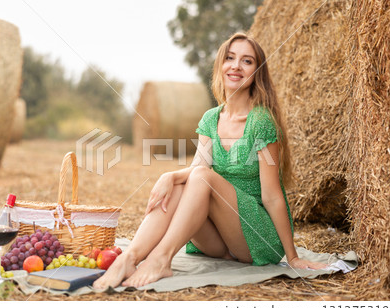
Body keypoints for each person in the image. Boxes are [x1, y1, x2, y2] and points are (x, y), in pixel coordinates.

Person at [93, 32, 327, 290]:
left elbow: (272, 196)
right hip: (220, 240)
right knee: (181, 186)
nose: (236, 66)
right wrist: (168, 176)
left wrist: (292, 256)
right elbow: (196, 170)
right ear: (220, 65)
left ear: (256, 72)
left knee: (200, 177)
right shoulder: (211, 118)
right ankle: (130, 258)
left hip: (256, 237)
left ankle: (161, 259)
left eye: (247, 61)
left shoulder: (261, 122)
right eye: (230, 58)